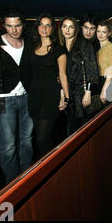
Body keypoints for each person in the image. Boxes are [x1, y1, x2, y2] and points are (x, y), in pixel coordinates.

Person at [0, 8, 34, 184]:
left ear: (23, 25)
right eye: (9, 26)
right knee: (8, 145)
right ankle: (12, 182)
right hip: (4, 98)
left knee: (27, 140)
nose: (14, 29)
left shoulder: (29, 42)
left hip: (27, 96)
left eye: (18, 25)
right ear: (3, 25)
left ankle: (27, 175)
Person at [27, 13, 69, 158]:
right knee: (39, 137)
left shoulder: (59, 49)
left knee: (42, 138)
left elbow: (63, 75)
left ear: (52, 29)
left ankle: (50, 167)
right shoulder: (31, 47)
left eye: (48, 25)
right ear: (37, 27)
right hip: (34, 96)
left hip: (50, 96)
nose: (44, 28)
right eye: (41, 25)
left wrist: (66, 98)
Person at [58, 16, 99, 135]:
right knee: (70, 129)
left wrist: (88, 93)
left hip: (82, 92)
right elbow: (60, 73)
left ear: (76, 29)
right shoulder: (60, 47)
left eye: (71, 27)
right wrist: (62, 95)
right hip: (68, 92)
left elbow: (92, 69)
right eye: (65, 26)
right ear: (60, 29)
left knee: (84, 129)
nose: (67, 30)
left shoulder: (84, 44)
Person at [96, 20, 112, 104]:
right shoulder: (99, 47)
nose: (100, 34)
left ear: (109, 33)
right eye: (98, 31)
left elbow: (111, 71)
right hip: (100, 81)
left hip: (107, 83)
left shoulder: (111, 47)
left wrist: (104, 91)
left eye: (104, 32)